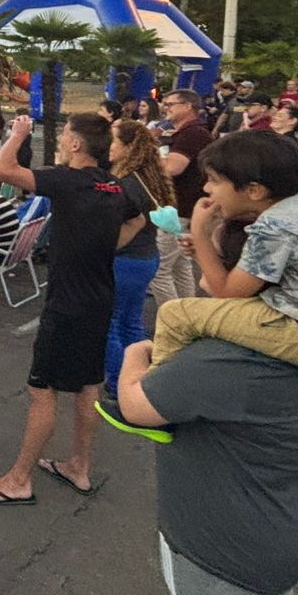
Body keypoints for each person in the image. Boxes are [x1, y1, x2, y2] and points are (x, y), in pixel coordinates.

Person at [103, 134, 298, 447]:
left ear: (254, 191)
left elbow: (226, 293)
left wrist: (200, 231)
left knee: (177, 314)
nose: (206, 189)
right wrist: (207, 249)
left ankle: (155, 405)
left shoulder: (274, 227)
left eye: (214, 180)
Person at [114, 328, 298, 595]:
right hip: (283, 538)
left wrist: (137, 351)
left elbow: (134, 405)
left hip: (217, 554)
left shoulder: (220, 359)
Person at [0, 114, 139, 505]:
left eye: (65, 135)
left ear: (77, 144)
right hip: (99, 299)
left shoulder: (67, 180)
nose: (62, 141)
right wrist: (102, 246)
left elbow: (3, 170)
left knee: (42, 390)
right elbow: (138, 219)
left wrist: (18, 133)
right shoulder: (115, 185)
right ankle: (79, 466)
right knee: (88, 386)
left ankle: (19, 479)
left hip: (66, 305)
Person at [105, 120, 172, 396]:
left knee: (108, 324)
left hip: (125, 260)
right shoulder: (149, 178)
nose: (108, 147)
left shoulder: (126, 184)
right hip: (145, 257)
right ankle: (140, 379)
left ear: (128, 147)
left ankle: (119, 383)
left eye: (113, 141)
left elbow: (115, 223)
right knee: (131, 322)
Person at [150, 89, 213, 306]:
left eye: (170, 104)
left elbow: (173, 168)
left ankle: (173, 316)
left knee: (158, 269)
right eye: (164, 104)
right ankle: (188, 310)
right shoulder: (184, 132)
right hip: (183, 207)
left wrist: (149, 157)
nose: (165, 108)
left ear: (187, 106)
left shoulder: (192, 134)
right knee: (180, 265)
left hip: (181, 207)